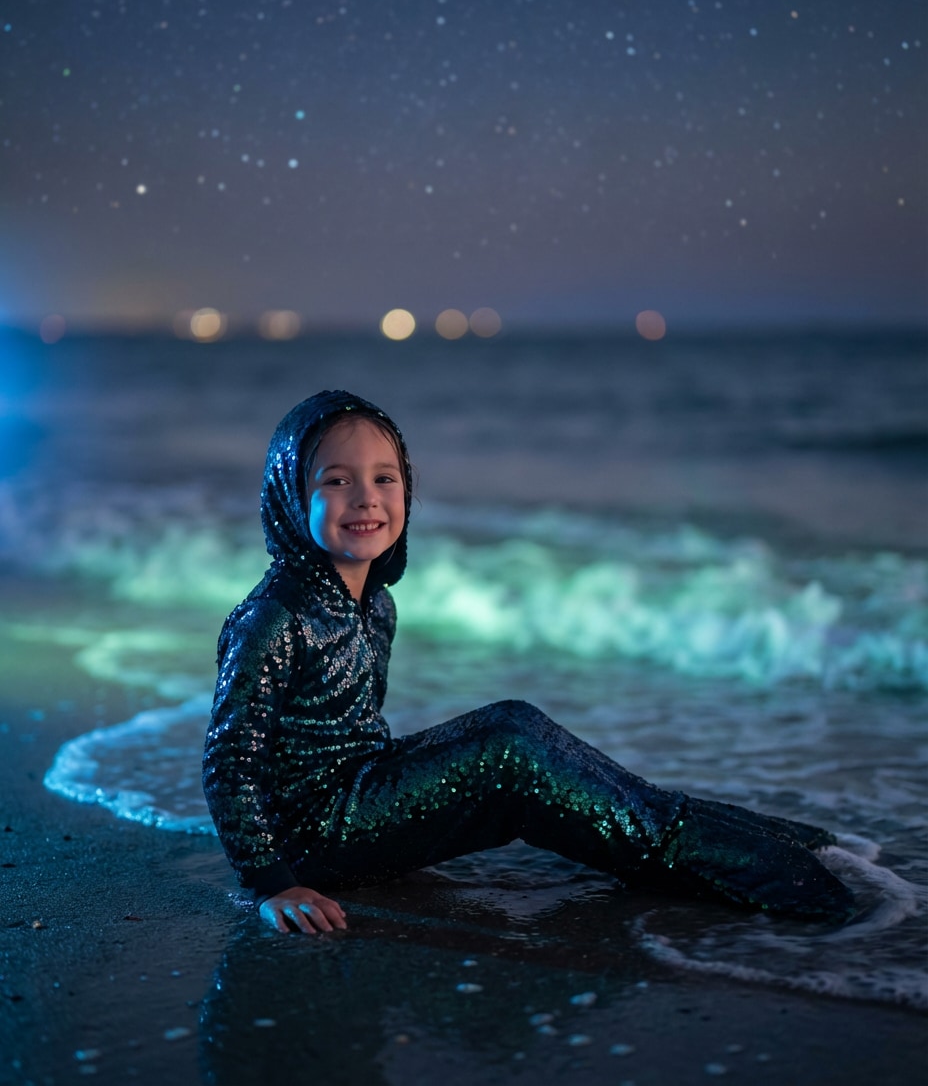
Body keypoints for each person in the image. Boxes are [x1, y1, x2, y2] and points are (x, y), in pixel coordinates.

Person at [203, 390, 854, 935]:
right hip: (311, 837)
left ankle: (702, 827)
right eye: (335, 481)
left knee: (514, 728)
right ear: (291, 496)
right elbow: (228, 762)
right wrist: (272, 884)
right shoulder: (275, 618)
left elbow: (356, 736)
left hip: (359, 789)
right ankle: (733, 864)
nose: (366, 498)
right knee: (508, 749)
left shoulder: (375, 605)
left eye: (384, 478)